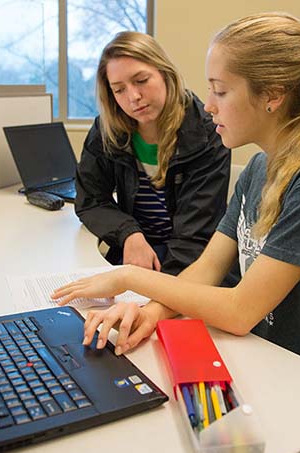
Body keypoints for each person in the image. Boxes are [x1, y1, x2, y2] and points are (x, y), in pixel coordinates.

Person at [54, 13, 300, 453]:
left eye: (220, 90)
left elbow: (238, 311)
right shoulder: (257, 168)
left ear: (272, 95)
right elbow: (207, 269)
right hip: (275, 361)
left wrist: (128, 281)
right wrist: (152, 312)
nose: (208, 105)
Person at [76, 31, 231, 275]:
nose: (134, 97)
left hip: (192, 261)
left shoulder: (207, 133)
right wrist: (129, 234)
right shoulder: (106, 130)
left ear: (165, 73)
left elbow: (194, 237)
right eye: (119, 90)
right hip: (137, 251)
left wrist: (154, 295)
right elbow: (91, 201)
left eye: (141, 80)